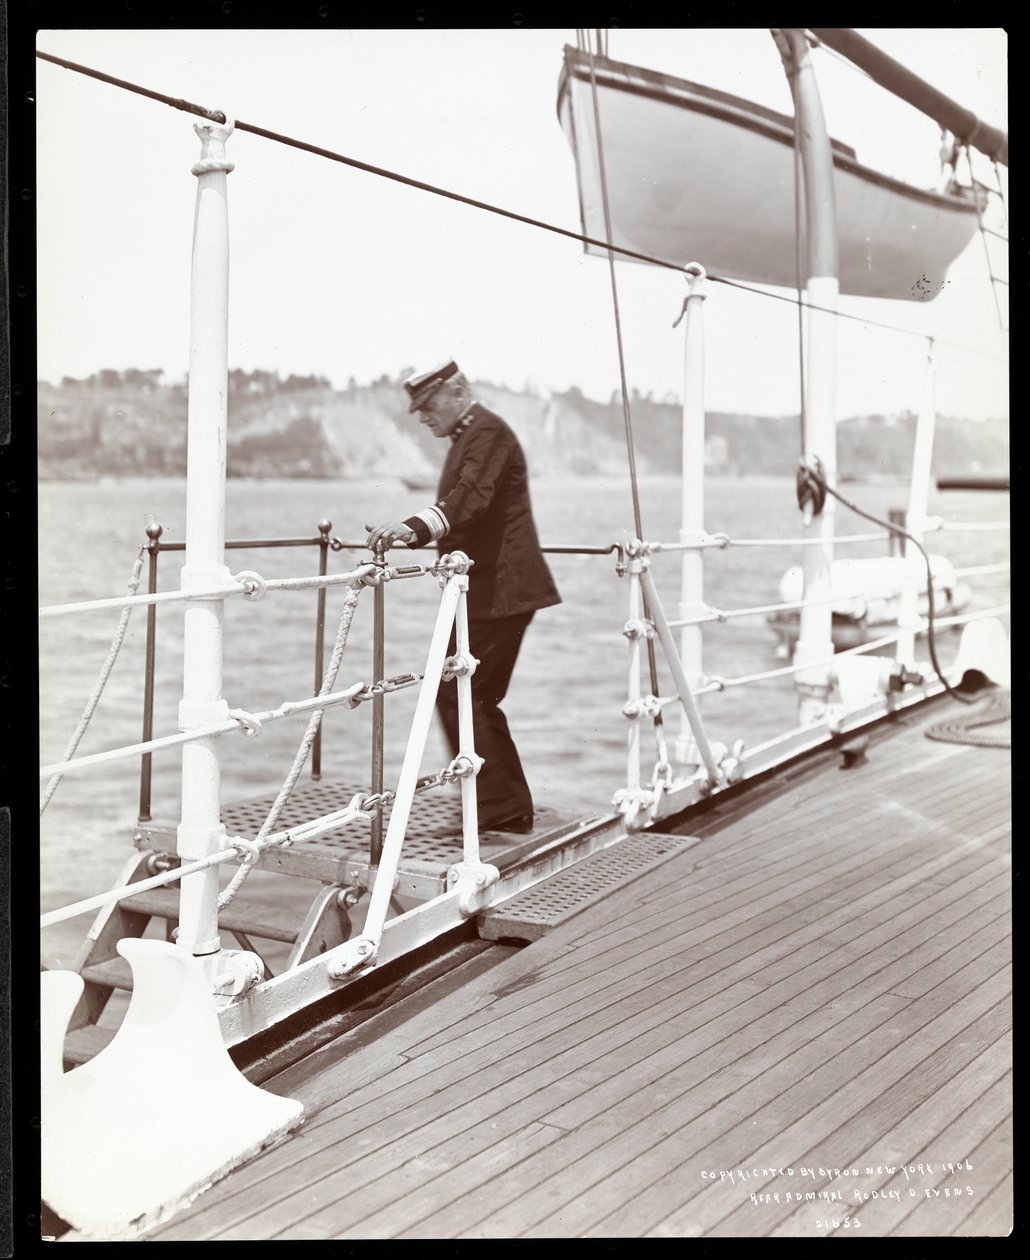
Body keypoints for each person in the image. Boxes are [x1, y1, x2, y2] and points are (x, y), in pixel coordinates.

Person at [365, 359, 560, 834]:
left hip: (504, 592)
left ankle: (503, 808)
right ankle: (499, 804)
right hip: (490, 591)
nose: (422, 416)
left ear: (457, 392)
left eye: (428, 405)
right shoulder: (470, 437)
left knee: (462, 691)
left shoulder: (487, 433)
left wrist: (412, 530)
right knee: (463, 691)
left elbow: (471, 496)